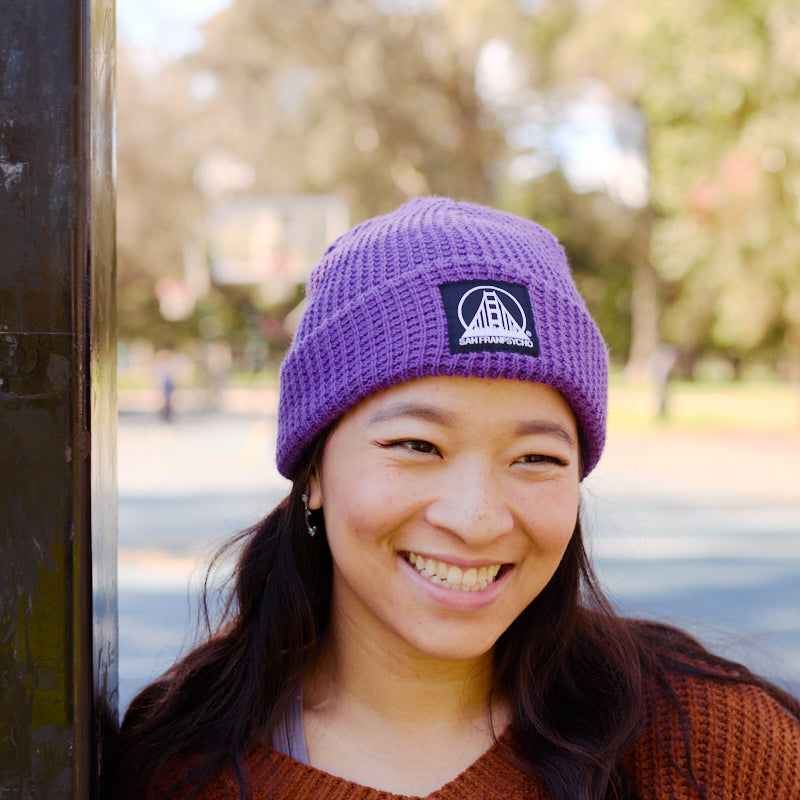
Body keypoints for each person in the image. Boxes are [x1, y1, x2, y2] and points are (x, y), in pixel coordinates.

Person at [115, 198, 800, 800]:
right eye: (418, 445)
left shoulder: (719, 749)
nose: (475, 519)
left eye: (535, 458)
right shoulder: (176, 769)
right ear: (313, 471)